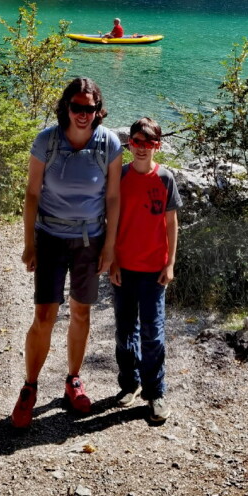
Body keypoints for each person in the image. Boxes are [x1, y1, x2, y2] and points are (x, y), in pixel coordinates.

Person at [10, 77, 122, 429]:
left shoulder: (109, 144)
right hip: (51, 235)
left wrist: (110, 246)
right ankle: (29, 388)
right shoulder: (47, 141)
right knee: (44, 314)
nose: (83, 114)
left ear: (98, 110)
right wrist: (29, 243)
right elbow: (31, 193)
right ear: (66, 107)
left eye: (89, 108)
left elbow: (113, 198)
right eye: (77, 107)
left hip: (90, 239)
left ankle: (73, 380)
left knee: (81, 313)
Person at [109, 117, 181, 424]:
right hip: (123, 266)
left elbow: (171, 223)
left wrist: (170, 262)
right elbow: (110, 221)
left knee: (153, 333)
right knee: (125, 332)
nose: (141, 148)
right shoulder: (121, 176)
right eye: (136, 142)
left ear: (157, 147)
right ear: (130, 144)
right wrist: (111, 259)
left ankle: (156, 393)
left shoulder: (165, 179)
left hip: (154, 269)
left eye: (148, 143)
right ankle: (130, 383)